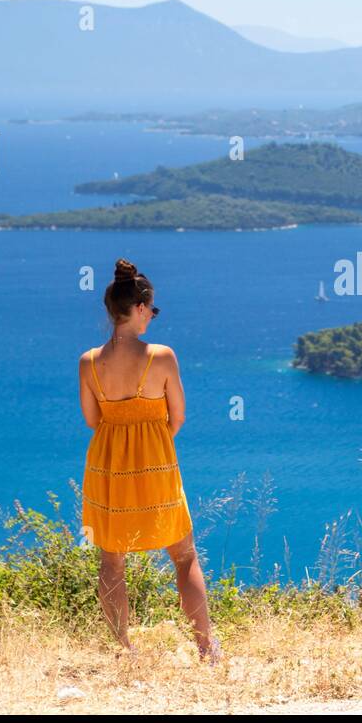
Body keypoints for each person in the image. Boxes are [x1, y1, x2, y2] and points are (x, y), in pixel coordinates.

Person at [78, 258, 219, 661]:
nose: (152, 317)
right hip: (156, 463)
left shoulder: (89, 361)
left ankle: (124, 649)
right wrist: (152, 442)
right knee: (184, 555)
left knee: (111, 559)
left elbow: (92, 420)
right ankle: (206, 648)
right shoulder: (162, 357)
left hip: (107, 466)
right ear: (140, 308)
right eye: (152, 309)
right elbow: (179, 417)